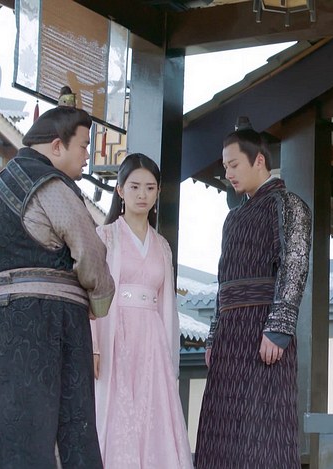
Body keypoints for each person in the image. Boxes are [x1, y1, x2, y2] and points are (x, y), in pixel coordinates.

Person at [0, 106, 115, 468]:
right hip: (46, 328)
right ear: (57, 146)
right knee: (52, 433)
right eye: (83, 145)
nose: (87, 156)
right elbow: (91, 254)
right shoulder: (51, 186)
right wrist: (98, 302)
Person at [195, 119, 312, 469]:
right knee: (222, 430)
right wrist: (214, 336)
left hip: (264, 330)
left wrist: (279, 327)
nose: (228, 173)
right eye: (225, 166)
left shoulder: (289, 205)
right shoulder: (233, 218)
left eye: (233, 164)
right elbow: (223, 281)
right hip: (230, 333)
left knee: (264, 429)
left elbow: (294, 265)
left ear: (259, 160)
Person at [90, 153, 194, 468]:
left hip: (151, 341)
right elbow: (93, 293)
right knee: (116, 411)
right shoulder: (105, 236)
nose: (142, 195)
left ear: (158, 192)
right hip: (114, 336)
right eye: (134, 186)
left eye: (150, 188)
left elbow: (167, 305)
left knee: (153, 413)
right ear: (120, 189)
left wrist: (169, 352)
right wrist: (94, 346)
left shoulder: (162, 246)